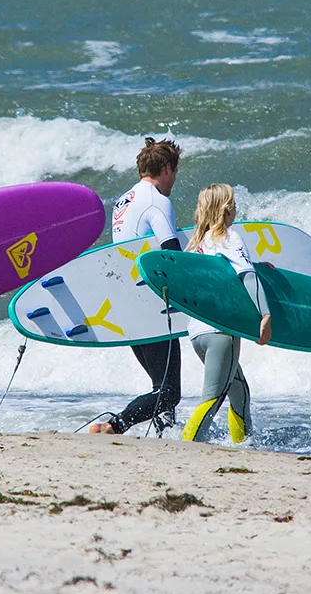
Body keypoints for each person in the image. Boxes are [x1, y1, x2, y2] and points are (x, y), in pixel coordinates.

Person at [90, 136, 183, 436]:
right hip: (150, 305)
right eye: (175, 172)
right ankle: (115, 425)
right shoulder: (157, 201)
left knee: (161, 387)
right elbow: (171, 255)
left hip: (126, 305)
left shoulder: (123, 201)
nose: (174, 180)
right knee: (169, 392)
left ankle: (164, 434)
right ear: (166, 168)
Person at [181, 183, 272, 444]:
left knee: (239, 391)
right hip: (222, 332)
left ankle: (244, 443)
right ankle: (186, 445)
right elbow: (247, 277)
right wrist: (265, 315)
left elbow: (218, 277)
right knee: (213, 397)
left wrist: (255, 265)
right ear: (225, 209)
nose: (235, 207)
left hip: (197, 333)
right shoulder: (229, 236)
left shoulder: (197, 244)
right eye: (232, 202)